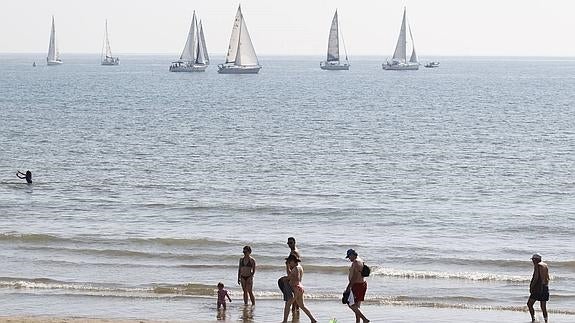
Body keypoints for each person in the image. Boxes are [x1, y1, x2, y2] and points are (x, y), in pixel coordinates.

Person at [282, 254, 317, 323]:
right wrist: (287, 267)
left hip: (295, 289)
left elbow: (295, 278)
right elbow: (291, 274)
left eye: (289, 262)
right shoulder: (299, 267)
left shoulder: (295, 269)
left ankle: (284, 321)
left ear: (292, 261)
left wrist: (286, 278)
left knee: (288, 304)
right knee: (302, 305)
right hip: (300, 288)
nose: (289, 263)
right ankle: (313, 319)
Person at [345, 249, 369, 323]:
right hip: (362, 284)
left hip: (357, 286)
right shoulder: (361, 261)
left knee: (350, 304)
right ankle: (358, 321)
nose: (349, 258)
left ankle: (364, 319)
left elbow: (354, 278)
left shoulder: (356, 262)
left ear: (353, 254)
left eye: (349, 256)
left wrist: (348, 288)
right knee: (357, 306)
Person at [527, 253, 550, 322]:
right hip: (545, 287)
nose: (532, 262)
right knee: (543, 307)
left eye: (533, 260)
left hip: (538, 288)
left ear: (536, 260)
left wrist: (531, 286)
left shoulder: (538, 265)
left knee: (529, 304)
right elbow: (548, 278)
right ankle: (546, 321)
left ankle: (533, 319)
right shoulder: (545, 265)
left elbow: (536, 278)